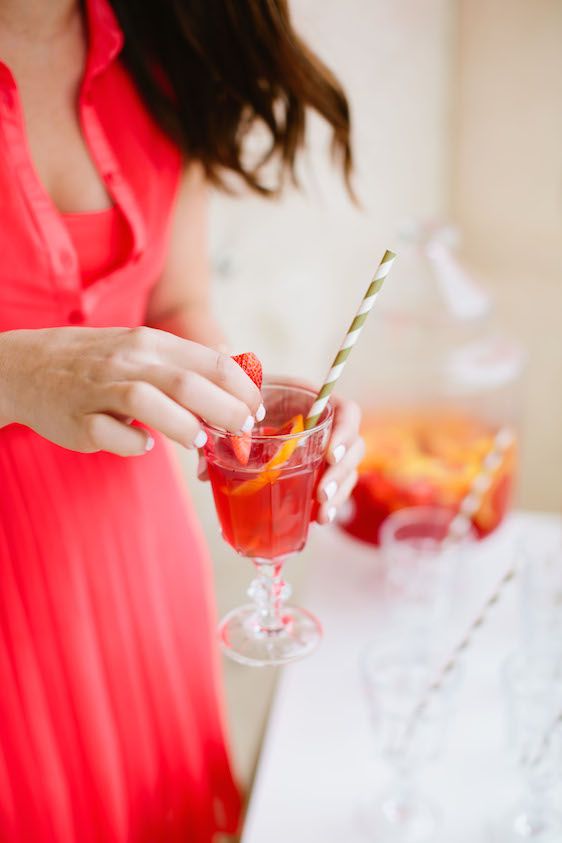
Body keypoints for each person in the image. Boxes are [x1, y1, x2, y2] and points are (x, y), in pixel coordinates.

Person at [0, 0, 364, 840]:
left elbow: (175, 300)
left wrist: (259, 406)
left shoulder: (166, 54)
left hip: (137, 555)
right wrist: (17, 372)